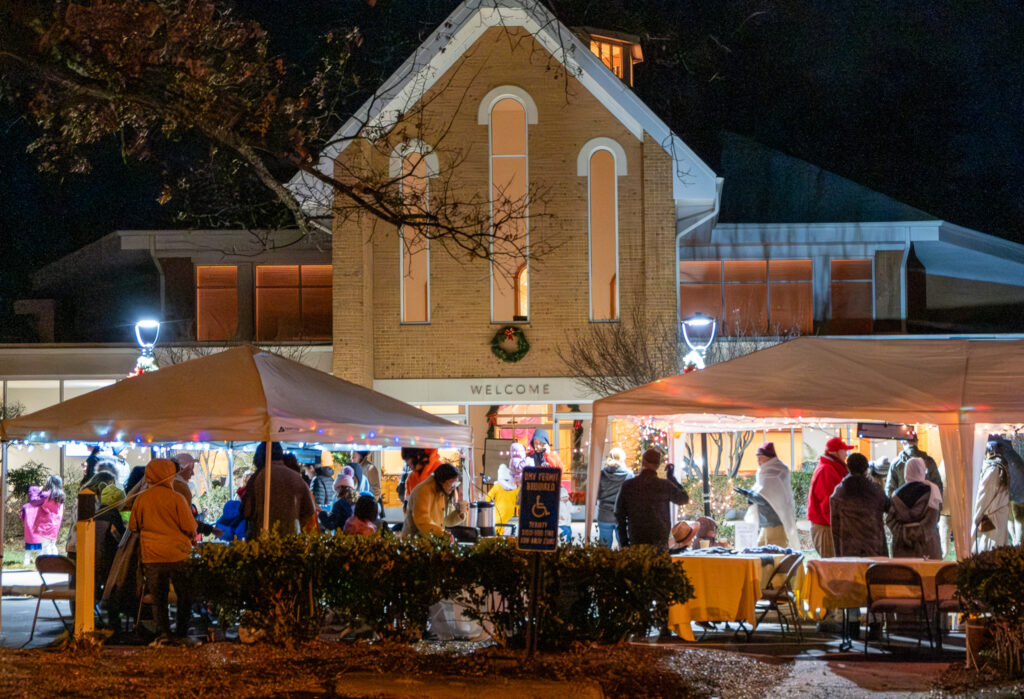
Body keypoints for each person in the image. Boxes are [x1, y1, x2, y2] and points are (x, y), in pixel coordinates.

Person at [128, 458, 197, 642]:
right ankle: (181, 632)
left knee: (159, 598)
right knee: (184, 595)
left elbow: (133, 526)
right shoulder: (177, 498)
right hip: (178, 554)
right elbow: (190, 527)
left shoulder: (141, 499)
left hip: (152, 556)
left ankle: (164, 633)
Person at [614, 448, 689, 551]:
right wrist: (671, 478)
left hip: (637, 539)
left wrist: (624, 543)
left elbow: (619, 515)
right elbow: (684, 499)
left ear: (643, 461)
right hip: (659, 541)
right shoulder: (664, 485)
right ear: (658, 465)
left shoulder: (628, 486)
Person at [241, 442, 317, 538]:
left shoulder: (258, 477)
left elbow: (246, 511)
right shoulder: (295, 477)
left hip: (262, 539)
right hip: (291, 538)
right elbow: (310, 509)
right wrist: (294, 523)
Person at [735, 442, 800, 549]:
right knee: (761, 551)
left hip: (775, 524)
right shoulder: (766, 472)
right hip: (766, 523)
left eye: (761, 458)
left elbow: (765, 498)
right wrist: (750, 496)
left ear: (769, 458)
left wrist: (747, 494)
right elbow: (761, 493)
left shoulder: (775, 472)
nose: (758, 461)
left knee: (774, 555)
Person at [830, 452, 888, 557]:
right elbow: (889, 509)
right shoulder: (876, 490)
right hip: (874, 548)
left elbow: (835, 527)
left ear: (848, 468)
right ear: (866, 470)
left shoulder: (839, 492)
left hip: (849, 550)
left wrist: (838, 554)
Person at [807, 436, 855, 559]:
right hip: (827, 529)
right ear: (835, 452)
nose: (846, 454)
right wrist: (839, 528)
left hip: (829, 527)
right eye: (844, 450)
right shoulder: (827, 471)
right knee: (831, 569)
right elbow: (828, 503)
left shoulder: (832, 468)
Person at [886, 457, 942, 559]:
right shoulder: (933, 493)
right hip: (928, 548)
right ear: (921, 471)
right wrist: (919, 533)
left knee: (905, 574)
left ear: (907, 472)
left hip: (902, 549)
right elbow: (932, 521)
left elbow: (890, 520)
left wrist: (903, 533)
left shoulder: (895, 496)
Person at [402, 463, 469, 539]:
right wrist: (442, 534)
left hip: (427, 543)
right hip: (414, 543)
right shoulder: (423, 491)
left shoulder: (440, 491)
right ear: (442, 480)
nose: (454, 486)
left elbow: (444, 521)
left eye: (456, 483)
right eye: (452, 482)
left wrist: (459, 512)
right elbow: (422, 522)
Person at [973, 439, 1010, 552]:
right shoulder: (1002, 465)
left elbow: (984, 495)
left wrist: (975, 517)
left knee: (989, 551)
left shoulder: (993, 469)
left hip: (991, 519)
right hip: (998, 515)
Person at [595, 447, 633, 548]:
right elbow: (632, 496)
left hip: (604, 515)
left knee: (603, 550)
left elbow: (597, 494)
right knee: (625, 549)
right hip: (621, 516)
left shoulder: (601, 474)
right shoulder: (628, 474)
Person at [885, 434, 943, 498]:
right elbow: (938, 486)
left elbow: (889, 490)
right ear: (917, 441)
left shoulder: (896, 463)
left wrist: (896, 506)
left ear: (903, 443)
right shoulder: (929, 461)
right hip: (926, 505)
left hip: (903, 505)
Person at [485, 463, 519, 528]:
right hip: (511, 515)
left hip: (498, 514)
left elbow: (487, 498)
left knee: (498, 533)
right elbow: (518, 502)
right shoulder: (515, 489)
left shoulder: (497, 486)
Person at [20, 484, 45, 566]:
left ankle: (26, 561)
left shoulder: (25, 507)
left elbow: (22, 517)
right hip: (39, 530)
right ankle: (40, 563)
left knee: (28, 548)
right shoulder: (41, 506)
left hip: (28, 531)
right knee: (40, 548)